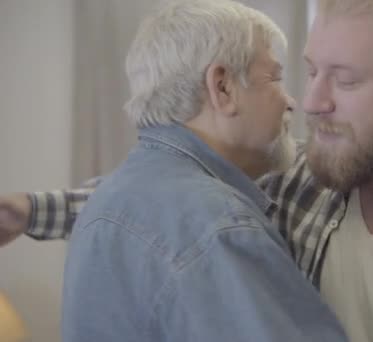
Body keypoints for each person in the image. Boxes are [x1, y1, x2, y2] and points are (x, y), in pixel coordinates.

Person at [1, 0, 373, 340]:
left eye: (344, 79)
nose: (311, 100)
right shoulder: (300, 189)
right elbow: (167, 201)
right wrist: (29, 209)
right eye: (309, 69)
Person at [5, 1, 348, 341]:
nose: (292, 101)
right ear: (223, 87)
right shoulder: (219, 226)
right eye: (275, 77)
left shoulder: (112, 198)